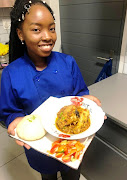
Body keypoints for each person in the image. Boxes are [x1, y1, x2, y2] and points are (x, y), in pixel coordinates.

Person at [0, 0, 102, 179]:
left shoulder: (68, 62)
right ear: (20, 34)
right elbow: (9, 111)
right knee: (48, 176)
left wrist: (87, 99)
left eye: (52, 28)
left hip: (72, 142)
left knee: (72, 176)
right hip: (40, 146)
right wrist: (14, 121)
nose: (47, 36)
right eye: (36, 29)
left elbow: (79, 93)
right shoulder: (11, 73)